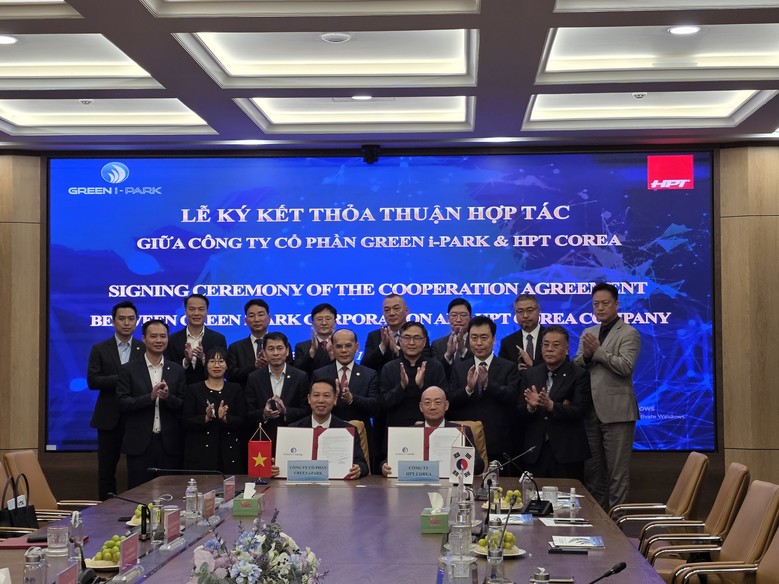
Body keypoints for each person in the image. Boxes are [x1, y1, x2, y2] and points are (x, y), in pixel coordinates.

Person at [574, 282, 641, 510]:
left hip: (617, 413)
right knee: (594, 474)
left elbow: (626, 367)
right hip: (590, 412)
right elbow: (577, 363)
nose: (600, 308)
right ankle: (598, 521)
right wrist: (587, 356)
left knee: (616, 476)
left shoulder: (629, 333)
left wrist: (598, 352)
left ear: (616, 304)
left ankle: (616, 526)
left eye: (605, 303)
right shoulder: (588, 332)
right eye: (596, 304)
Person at [116, 319, 186, 489]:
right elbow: (122, 403)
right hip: (140, 445)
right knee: (139, 494)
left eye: (163, 336)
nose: (159, 340)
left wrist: (168, 397)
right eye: (153, 336)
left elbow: (184, 405)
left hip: (169, 445)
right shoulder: (129, 369)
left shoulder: (176, 370)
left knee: (170, 494)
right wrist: (150, 397)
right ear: (143, 338)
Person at [87, 300, 145, 500]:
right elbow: (93, 380)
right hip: (108, 418)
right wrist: (124, 377)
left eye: (131, 319)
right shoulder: (100, 348)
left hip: (136, 417)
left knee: (137, 469)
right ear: (113, 321)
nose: (126, 323)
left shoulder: (143, 348)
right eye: (122, 319)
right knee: (106, 470)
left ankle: (137, 509)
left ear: (136, 322)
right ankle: (106, 510)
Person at [519, 325, 592, 480]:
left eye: (555, 345)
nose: (549, 349)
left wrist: (552, 406)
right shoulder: (530, 374)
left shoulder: (579, 375)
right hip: (535, 452)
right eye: (546, 345)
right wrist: (530, 407)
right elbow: (518, 410)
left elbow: (580, 411)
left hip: (567, 453)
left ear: (566, 349)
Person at [448, 316, 520, 466]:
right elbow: (450, 401)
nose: (479, 343)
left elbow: (512, 397)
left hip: (499, 443)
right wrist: (468, 389)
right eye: (474, 338)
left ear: (493, 340)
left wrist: (488, 384)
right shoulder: (459, 368)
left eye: (484, 337)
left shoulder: (508, 367)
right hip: (465, 443)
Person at [271, 378, 369, 479]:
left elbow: (363, 465)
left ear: (335, 399)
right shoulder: (293, 429)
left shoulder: (347, 430)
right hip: (299, 486)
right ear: (309, 399)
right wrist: (274, 468)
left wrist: (359, 469)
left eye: (326, 396)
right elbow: (277, 463)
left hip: (337, 486)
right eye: (316, 395)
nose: (321, 400)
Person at [313, 328, 380, 471]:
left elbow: (375, 407)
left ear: (357, 347)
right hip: (328, 436)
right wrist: (330, 400)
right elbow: (313, 405)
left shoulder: (369, 374)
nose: (343, 350)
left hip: (360, 438)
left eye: (348, 346)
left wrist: (351, 399)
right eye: (339, 346)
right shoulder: (320, 374)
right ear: (332, 347)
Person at [380, 386, 484, 476]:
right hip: (416, 486)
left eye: (438, 402)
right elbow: (387, 461)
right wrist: (384, 466)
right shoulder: (410, 433)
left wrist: (466, 463)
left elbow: (479, 465)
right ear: (421, 407)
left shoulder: (462, 432)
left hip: (451, 486)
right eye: (427, 403)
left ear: (446, 405)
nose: (432, 407)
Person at [182, 346, 245, 474]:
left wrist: (225, 418)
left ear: (227, 365)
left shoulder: (235, 389)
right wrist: (205, 418)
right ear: (206, 365)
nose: (217, 365)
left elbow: (243, 421)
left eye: (221, 361)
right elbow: (185, 422)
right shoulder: (194, 389)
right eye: (212, 361)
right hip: (201, 455)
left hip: (229, 454)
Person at [244, 331, 309, 446]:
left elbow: (307, 411)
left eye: (279, 348)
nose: (275, 353)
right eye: (271, 349)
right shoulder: (254, 378)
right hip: (264, 440)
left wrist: (286, 411)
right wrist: (264, 414)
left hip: (293, 439)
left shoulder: (301, 377)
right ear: (264, 353)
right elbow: (247, 413)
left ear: (287, 351)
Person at [380, 321, 448, 428]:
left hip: (429, 428)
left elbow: (444, 402)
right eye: (407, 338)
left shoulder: (436, 367)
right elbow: (383, 403)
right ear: (400, 341)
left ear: (424, 342)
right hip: (397, 428)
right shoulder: (389, 368)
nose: (411, 343)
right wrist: (402, 386)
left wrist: (422, 386)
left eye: (417, 338)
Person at [165, 294, 227, 385]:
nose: (196, 313)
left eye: (201, 309)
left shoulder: (218, 339)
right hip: (181, 390)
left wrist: (204, 358)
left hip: (209, 389)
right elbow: (168, 370)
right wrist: (186, 361)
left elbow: (223, 370)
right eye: (192, 309)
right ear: (185, 311)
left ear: (207, 311)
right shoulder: (172, 340)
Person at [362, 294, 430, 373]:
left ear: (406, 311)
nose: (391, 313)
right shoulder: (374, 336)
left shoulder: (418, 334)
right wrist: (382, 347)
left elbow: (426, 362)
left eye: (396, 308)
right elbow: (365, 366)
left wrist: (397, 350)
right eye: (387, 310)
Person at [498, 293, 546, 372]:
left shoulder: (551, 337)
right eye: (520, 311)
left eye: (529, 310)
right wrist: (515, 371)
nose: (525, 315)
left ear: (538, 311)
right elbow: (501, 372)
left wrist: (532, 364)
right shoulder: (507, 343)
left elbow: (559, 366)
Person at [293, 303, 337, 376]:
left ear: (335, 322)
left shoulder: (342, 346)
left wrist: (332, 354)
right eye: (319, 319)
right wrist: (312, 352)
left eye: (328, 319)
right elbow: (297, 374)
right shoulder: (301, 347)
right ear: (313, 323)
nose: (324, 323)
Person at [430, 298, 473, 368]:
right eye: (454, 315)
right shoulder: (437, 345)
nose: (458, 320)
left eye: (463, 315)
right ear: (448, 318)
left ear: (470, 317)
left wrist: (463, 351)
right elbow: (434, 371)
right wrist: (448, 355)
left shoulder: (477, 343)